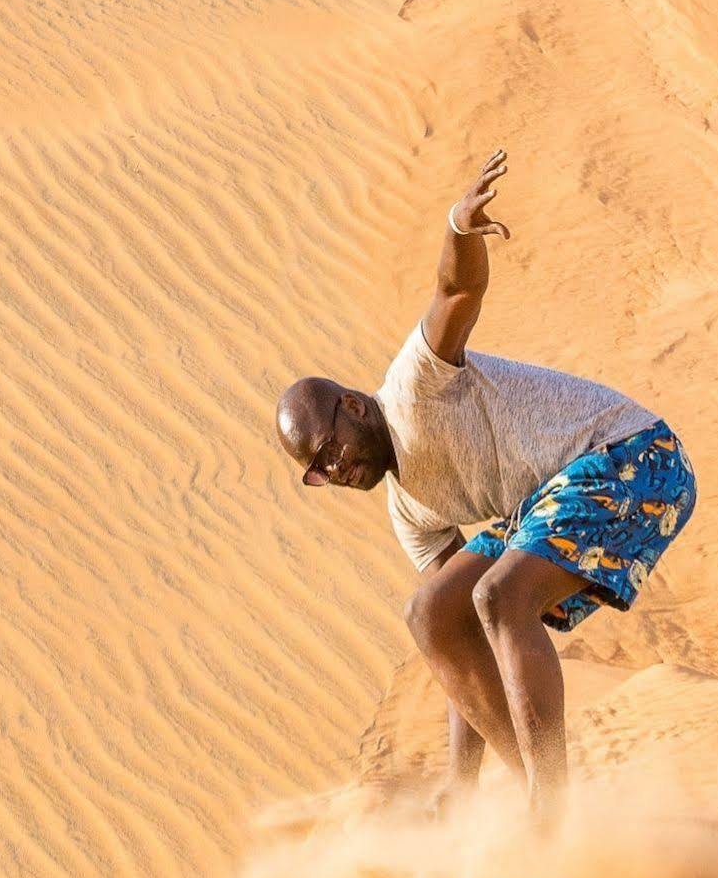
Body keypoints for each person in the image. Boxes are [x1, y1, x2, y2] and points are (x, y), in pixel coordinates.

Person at [274, 148, 696, 824]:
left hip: (633, 457)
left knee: (499, 594)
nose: (334, 472)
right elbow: (461, 638)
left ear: (353, 407)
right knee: (433, 613)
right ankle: (536, 799)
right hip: (549, 497)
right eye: (317, 473)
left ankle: (547, 806)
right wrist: (457, 781)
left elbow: (454, 293)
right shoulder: (410, 509)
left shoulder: (414, 388)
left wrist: (457, 229)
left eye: (329, 452)